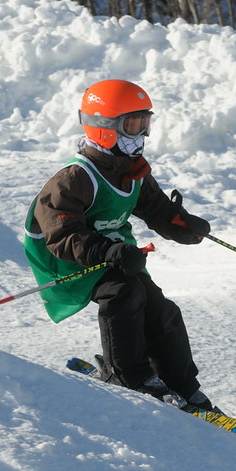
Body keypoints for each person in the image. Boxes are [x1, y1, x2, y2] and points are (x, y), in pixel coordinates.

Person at [23, 79, 214, 410]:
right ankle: (128, 375)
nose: (140, 134)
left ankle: (180, 382)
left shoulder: (132, 170)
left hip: (115, 255)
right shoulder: (75, 178)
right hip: (71, 261)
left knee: (161, 308)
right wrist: (106, 250)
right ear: (103, 128)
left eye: (144, 123)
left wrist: (184, 225)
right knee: (124, 294)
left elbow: (156, 208)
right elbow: (61, 233)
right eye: (131, 125)